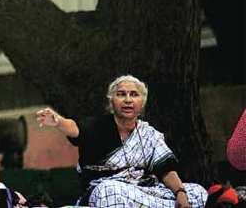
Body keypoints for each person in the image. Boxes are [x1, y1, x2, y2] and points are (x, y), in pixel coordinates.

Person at [36, 75, 208, 207]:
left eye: (134, 95)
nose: (127, 100)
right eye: (121, 94)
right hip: (106, 193)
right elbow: (75, 129)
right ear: (112, 102)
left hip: (145, 192)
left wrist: (180, 192)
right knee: (110, 192)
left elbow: (165, 168)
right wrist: (57, 121)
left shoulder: (149, 134)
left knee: (198, 193)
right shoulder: (98, 126)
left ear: (142, 103)